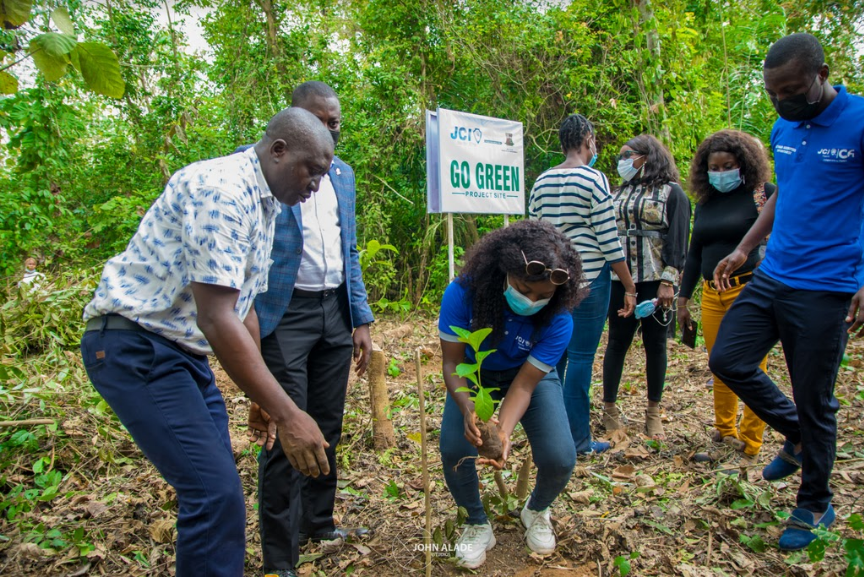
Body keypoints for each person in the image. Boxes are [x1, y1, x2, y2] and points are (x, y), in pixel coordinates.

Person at [80, 108, 335, 577]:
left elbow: (246, 307)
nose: (317, 185)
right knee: (214, 496)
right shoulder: (221, 191)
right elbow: (217, 319)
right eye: (312, 171)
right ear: (279, 150)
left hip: (182, 356)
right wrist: (287, 412)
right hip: (136, 348)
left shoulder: (266, 205)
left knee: (219, 496)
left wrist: (259, 399)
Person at [709, 33, 864, 551]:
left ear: (822, 74)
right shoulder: (783, 125)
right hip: (774, 272)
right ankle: (799, 435)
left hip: (827, 285)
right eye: (774, 93)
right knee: (728, 359)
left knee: (814, 396)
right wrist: (744, 246)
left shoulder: (859, 121)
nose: (782, 101)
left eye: (792, 90)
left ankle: (815, 502)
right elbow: (784, 195)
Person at [240, 82, 375, 577]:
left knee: (327, 423)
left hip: (334, 311)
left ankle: (317, 521)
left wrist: (359, 316)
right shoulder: (259, 170)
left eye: (336, 122)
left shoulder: (341, 173)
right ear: (292, 121)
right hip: (284, 314)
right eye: (322, 121)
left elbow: (350, 249)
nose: (332, 129)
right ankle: (280, 557)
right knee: (284, 430)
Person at [438, 219, 582, 569]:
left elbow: (525, 384)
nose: (531, 300)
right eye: (523, 288)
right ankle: (475, 521)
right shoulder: (463, 292)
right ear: (504, 271)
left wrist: (502, 430)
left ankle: (535, 510)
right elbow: (452, 363)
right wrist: (469, 408)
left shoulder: (559, 319)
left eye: (543, 296)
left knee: (561, 457)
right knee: (455, 448)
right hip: (473, 372)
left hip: (524, 375)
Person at [529, 114, 636, 456]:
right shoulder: (594, 179)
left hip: (552, 283)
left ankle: (550, 435)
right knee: (581, 359)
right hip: (589, 281)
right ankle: (578, 440)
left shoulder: (541, 181)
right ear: (588, 138)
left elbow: (534, 234)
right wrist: (630, 285)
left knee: (553, 358)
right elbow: (608, 240)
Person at [677, 130, 776, 473]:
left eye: (728, 166)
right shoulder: (704, 204)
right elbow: (694, 253)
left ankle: (750, 444)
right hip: (711, 294)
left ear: (744, 164)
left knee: (750, 367)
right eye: (714, 167)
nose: (720, 173)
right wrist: (683, 297)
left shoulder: (764, 196)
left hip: (748, 290)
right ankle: (724, 433)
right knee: (719, 364)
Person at [602, 134, 690, 439]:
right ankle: (609, 408)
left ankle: (653, 412)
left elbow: (678, 242)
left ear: (647, 157)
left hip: (655, 281)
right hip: (619, 281)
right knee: (617, 343)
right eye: (620, 157)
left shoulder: (672, 193)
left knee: (656, 345)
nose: (622, 162)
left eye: (629, 156)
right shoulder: (617, 193)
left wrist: (669, 281)